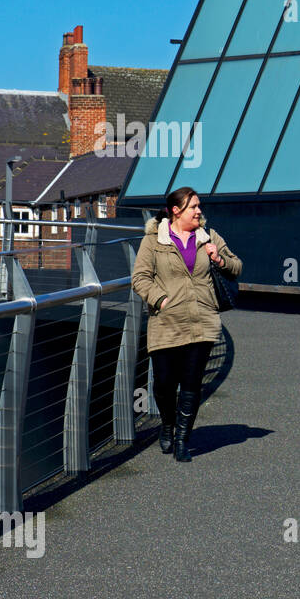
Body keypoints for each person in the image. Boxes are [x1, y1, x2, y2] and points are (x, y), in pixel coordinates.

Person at [131, 187, 243, 463]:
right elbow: (140, 278)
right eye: (193, 207)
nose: (198, 211)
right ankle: (168, 424)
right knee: (165, 382)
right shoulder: (154, 240)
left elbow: (236, 266)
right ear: (176, 211)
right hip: (166, 321)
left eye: (199, 206)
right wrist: (162, 300)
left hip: (202, 319)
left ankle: (182, 439)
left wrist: (218, 258)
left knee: (192, 382)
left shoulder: (208, 236)